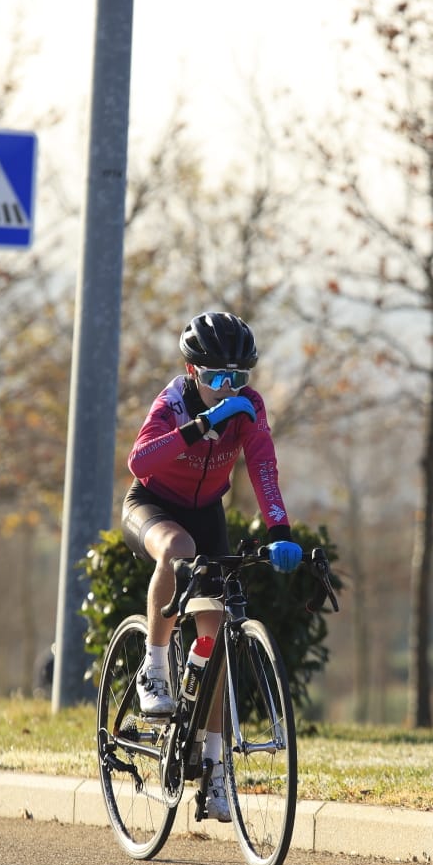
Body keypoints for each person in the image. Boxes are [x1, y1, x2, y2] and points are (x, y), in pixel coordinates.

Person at [121, 311, 302, 821]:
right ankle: (154, 671)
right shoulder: (173, 401)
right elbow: (141, 462)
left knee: (217, 631)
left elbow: (263, 464)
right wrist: (202, 426)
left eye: (239, 378)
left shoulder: (249, 407)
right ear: (192, 370)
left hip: (207, 512)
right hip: (153, 506)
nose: (229, 389)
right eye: (218, 378)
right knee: (175, 548)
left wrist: (280, 533)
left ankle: (216, 769)